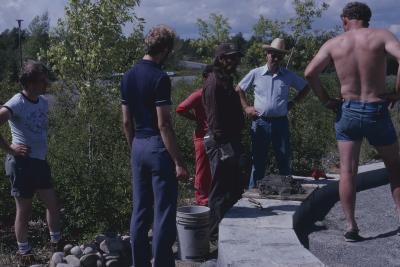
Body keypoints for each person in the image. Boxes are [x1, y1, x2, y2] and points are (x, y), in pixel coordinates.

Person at [305, 2, 400, 242]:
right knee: (394, 165)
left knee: (347, 171)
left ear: (345, 19)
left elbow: (309, 73)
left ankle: (351, 226)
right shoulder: (381, 36)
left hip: (347, 109)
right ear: (367, 19)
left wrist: (326, 100)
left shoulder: (334, 43)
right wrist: (397, 92)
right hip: (376, 108)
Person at [120, 25, 189, 267]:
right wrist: (179, 162)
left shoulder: (127, 76)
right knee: (163, 211)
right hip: (157, 147)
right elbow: (164, 125)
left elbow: (126, 121)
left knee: (140, 209)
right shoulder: (160, 78)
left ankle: (139, 263)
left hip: (138, 144)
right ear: (166, 49)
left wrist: (134, 149)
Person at [0, 60, 61, 265]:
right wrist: (10, 148)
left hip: (39, 162)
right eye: (43, 80)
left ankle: (56, 242)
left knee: (52, 203)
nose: (47, 84)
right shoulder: (17, 101)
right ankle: (23, 251)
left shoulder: (42, 101)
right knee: (24, 210)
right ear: (31, 83)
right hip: (22, 163)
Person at [236, 38, 310, 189]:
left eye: (279, 55)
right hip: (260, 122)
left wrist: (293, 102)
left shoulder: (288, 75)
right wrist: (246, 108)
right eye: (273, 54)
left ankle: (286, 191)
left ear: (283, 57)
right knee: (258, 160)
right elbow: (239, 89)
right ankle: (254, 192)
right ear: (267, 54)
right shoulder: (256, 73)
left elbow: (305, 88)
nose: (275, 58)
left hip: (280, 123)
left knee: (284, 158)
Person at [202, 43, 245, 240]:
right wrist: (224, 146)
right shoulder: (214, 82)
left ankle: (230, 228)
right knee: (219, 188)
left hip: (230, 140)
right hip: (221, 142)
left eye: (236, 57)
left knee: (232, 186)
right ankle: (214, 234)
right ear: (221, 59)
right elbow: (214, 118)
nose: (235, 61)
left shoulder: (225, 80)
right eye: (231, 57)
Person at [176, 65, 213, 206]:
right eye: (211, 77)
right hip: (202, 136)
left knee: (216, 169)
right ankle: (202, 200)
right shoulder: (199, 94)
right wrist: (196, 119)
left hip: (217, 138)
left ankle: (213, 197)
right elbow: (181, 108)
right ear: (205, 78)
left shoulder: (219, 94)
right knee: (203, 169)